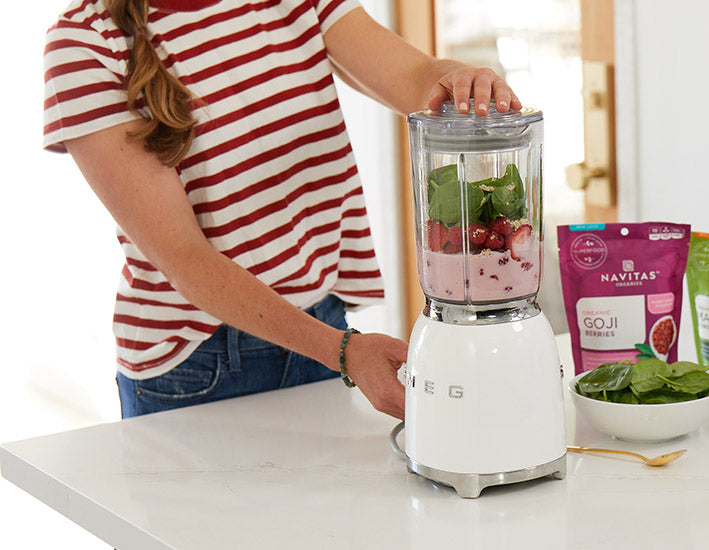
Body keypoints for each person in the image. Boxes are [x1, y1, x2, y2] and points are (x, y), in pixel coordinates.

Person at [43, 0, 521, 420]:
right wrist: (341, 351)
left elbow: (413, 77)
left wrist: (461, 81)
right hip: (199, 367)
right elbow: (182, 255)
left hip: (322, 326)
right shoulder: (85, 46)